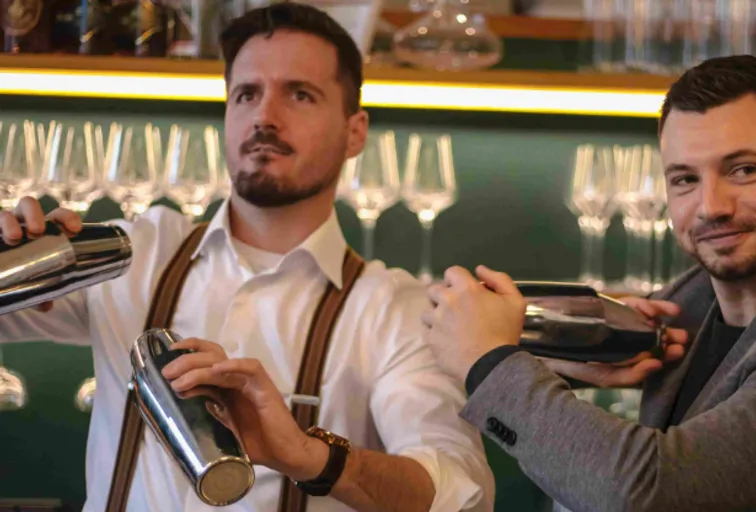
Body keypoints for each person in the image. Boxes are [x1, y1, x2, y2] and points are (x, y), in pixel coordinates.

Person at [0, 3, 493, 511]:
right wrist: (12, 257)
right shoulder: (132, 254)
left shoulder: (394, 310)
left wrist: (308, 454)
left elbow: (459, 491)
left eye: (299, 94)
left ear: (355, 132)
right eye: (246, 94)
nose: (264, 116)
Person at [421, 55, 756, 511]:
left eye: (743, 170)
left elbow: (647, 490)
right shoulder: (689, 303)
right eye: (684, 179)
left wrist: (490, 364)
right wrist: (574, 356)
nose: (711, 205)